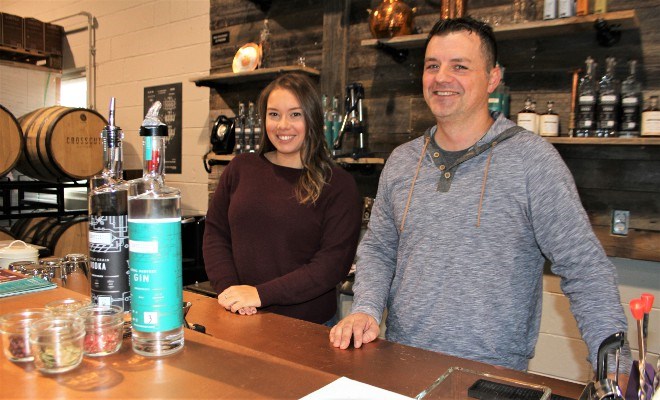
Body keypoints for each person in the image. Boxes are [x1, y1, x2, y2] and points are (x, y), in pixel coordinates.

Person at [329, 17, 631, 380]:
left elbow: (585, 268)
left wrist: (616, 369)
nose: (442, 77)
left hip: (491, 378)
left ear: (492, 78)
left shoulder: (532, 160)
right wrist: (365, 309)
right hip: (402, 364)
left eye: (460, 66)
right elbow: (379, 249)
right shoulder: (402, 161)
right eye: (432, 66)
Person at [203, 73, 362, 325]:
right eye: (274, 114)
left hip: (307, 328)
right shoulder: (241, 168)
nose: (282, 125)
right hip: (239, 318)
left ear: (313, 118)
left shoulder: (338, 184)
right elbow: (215, 234)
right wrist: (230, 292)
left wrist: (259, 295)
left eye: (295, 114)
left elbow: (331, 265)